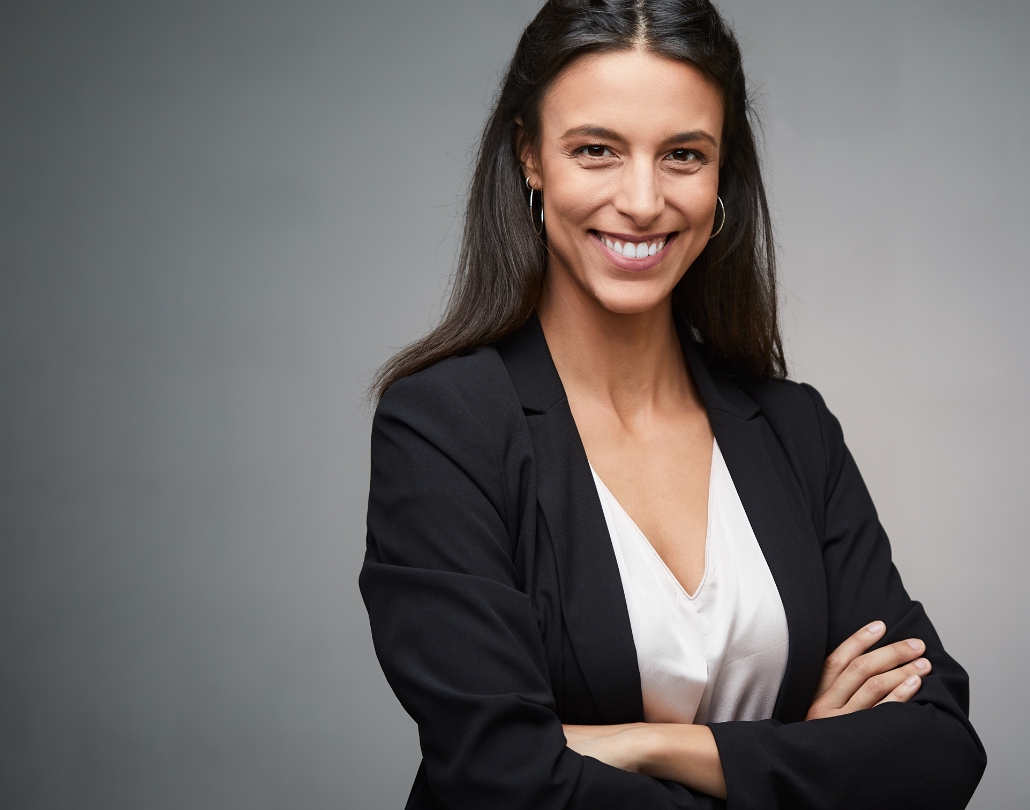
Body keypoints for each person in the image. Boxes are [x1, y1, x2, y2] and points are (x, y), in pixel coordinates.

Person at [359, 1, 986, 807]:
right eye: (596, 150)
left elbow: (936, 744)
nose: (644, 200)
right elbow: (500, 780)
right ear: (529, 156)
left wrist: (652, 745)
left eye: (684, 155)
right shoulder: (444, 428)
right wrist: (797, 756)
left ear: (722, 171)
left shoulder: (795, 431)